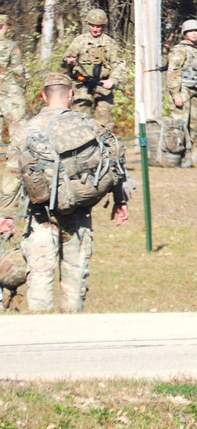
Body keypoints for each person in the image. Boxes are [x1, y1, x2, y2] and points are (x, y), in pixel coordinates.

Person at [4, 73, 128, 312]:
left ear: (43, 96)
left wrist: (6, 214)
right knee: (75, 272)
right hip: (79, 211)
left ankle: (41, 329)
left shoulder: (26, 131)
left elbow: (12, 176)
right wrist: (119, 201)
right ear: (70, 95)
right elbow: (114, 161)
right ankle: (72, 325)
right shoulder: (89, 125)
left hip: (41, 215)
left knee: (40, 272)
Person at [62, 8, 126, 127]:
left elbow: (119, 64)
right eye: (92, 26)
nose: (95, 29)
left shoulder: (110, 43)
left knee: (104, 117)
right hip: (82, 84)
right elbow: (66, 59)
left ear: (103, 26)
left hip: (103, 84)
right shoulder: (79, 41)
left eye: (98, 26)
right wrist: (69, 61)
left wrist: (112, 80)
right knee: (78, 116)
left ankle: (104, 143)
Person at [165, 19, 197, 168]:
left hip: (196, 90)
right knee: (180, 124)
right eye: (190, 31)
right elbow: (173, 72)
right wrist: (176, 94)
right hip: (183, 90)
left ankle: (188, 153)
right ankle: (175, 154)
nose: (194, 33)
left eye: (196, 31)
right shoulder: (180, 49)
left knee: (193, 124)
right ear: (185, 33)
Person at [0, 15, 27, 142]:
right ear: (4, 26)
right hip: (9, 92)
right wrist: (22, 88)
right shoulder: (10, 46)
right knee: (18, 128)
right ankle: (14, 160)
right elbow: (18, 71)